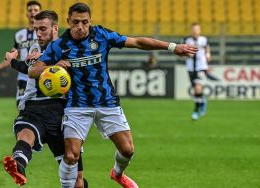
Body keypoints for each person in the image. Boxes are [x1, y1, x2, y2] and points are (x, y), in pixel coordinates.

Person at [28, 3, 198, 188]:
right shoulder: (59, 45)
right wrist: (54, 67)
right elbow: (33, 70)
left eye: (85, 22)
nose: (80, 27)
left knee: (127, 150)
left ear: (90, 21)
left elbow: (137, 42)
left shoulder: (101, 35)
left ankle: (117, 174)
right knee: (71, 156)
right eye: (76, 22)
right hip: (77, 105)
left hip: (107, 102)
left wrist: (172, 47)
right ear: (68, 21)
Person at [3, 11, 87, 188]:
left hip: (63, 113)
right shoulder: (35, 49)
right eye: (36, 29)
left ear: (55, 28)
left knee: (77, 183)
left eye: (42, 29)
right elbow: (28, 69)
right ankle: (18, 164)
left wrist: (65, 65)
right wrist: (12, 61)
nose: (38, 34)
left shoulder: (69, 49)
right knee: (26, 134)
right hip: (34, 108)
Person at [0, 1, 41, 106]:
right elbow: (12, 56)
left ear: (40, 13)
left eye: (35, 10)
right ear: (27, 14)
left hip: (39, 75)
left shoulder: (43, 32)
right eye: (30, 10)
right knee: (20, 105)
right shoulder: (19, 35)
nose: (32, 12)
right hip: (23, 76)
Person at [184, 23, 212, 120]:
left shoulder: (203, 39)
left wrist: (208, 54)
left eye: (197, 29)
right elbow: (183, 52)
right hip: (191, 68)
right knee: (196, 90)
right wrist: (188, 54)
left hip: (201, 67)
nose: (195, 31)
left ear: (200, 31)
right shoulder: (187, 40)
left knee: (197, 88)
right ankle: (202, 101)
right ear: (191, 31)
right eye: (194, 29)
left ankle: (195, 111)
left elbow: (207, 48)